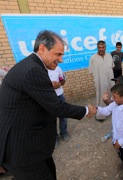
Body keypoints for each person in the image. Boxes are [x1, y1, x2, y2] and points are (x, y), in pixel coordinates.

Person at [0, 30, 93, 180]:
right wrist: (87, 110)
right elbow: (57, 107)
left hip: (33, 147)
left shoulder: (30, 66)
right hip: (23, 151)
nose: (61, 60)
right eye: (58, 54)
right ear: (42, 49)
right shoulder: (33, 70)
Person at [90, 83, 123, 180]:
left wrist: (120, 142)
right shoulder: (115, 104)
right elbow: (106, 110)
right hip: (116, 138)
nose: (112, 98)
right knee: (121, 155)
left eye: (114, 97)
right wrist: (97, 109)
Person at [89, 40, 115, 120]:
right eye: (99, 47)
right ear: (97, 48)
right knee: (101, 96)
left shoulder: (109, 56)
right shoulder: (93, 58)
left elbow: (112, 67)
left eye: (102, 47)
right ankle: (100, 115)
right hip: (100, 82)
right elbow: (91, 71)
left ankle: (112, 111)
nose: (101, 49)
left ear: (105, 47)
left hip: (110, 81)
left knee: (112, 95)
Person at [48, 65, 70, 148]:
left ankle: (64, 132)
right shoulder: (41, 69)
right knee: (51, 118)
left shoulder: (57, 68)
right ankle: (54, 138)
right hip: (49, 97)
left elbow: (63, 80)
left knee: (63, 115)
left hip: (60, 95)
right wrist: (50, 86)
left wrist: (59, 84)